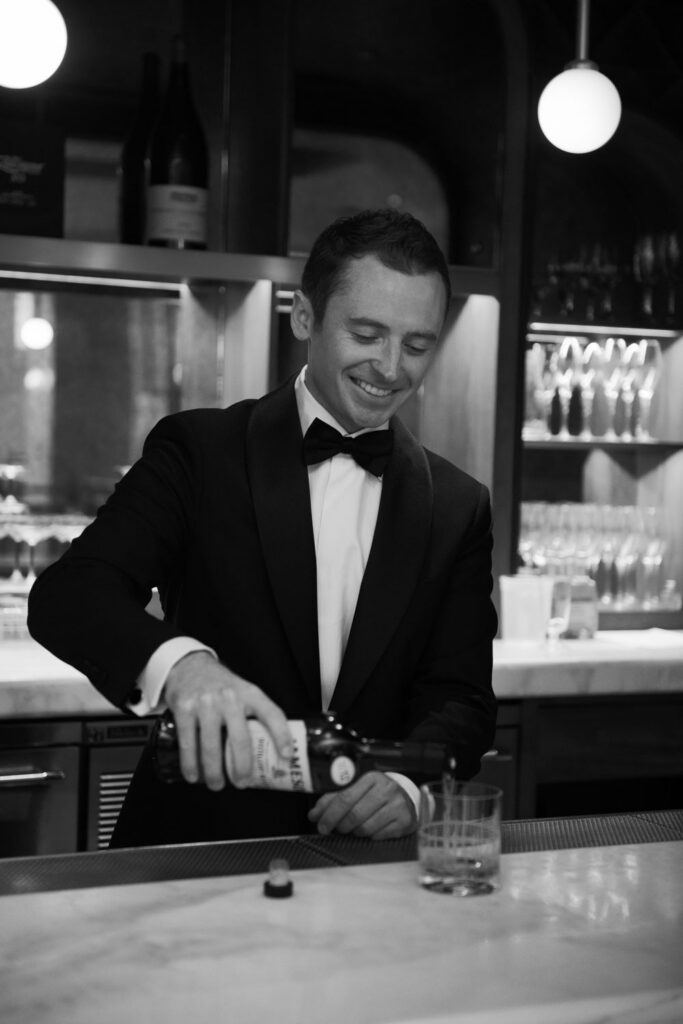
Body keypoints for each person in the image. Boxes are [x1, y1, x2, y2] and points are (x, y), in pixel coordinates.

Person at [27, 208, 498, 848]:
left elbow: (462, 699)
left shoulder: (459, 504)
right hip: (195, 850)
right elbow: (71, 595)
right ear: (305, 317)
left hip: (365, 866)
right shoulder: (200, 450)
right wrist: (183, 667)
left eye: (417, 345)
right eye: (367, 334)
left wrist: (409, 787)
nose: (391, 368)